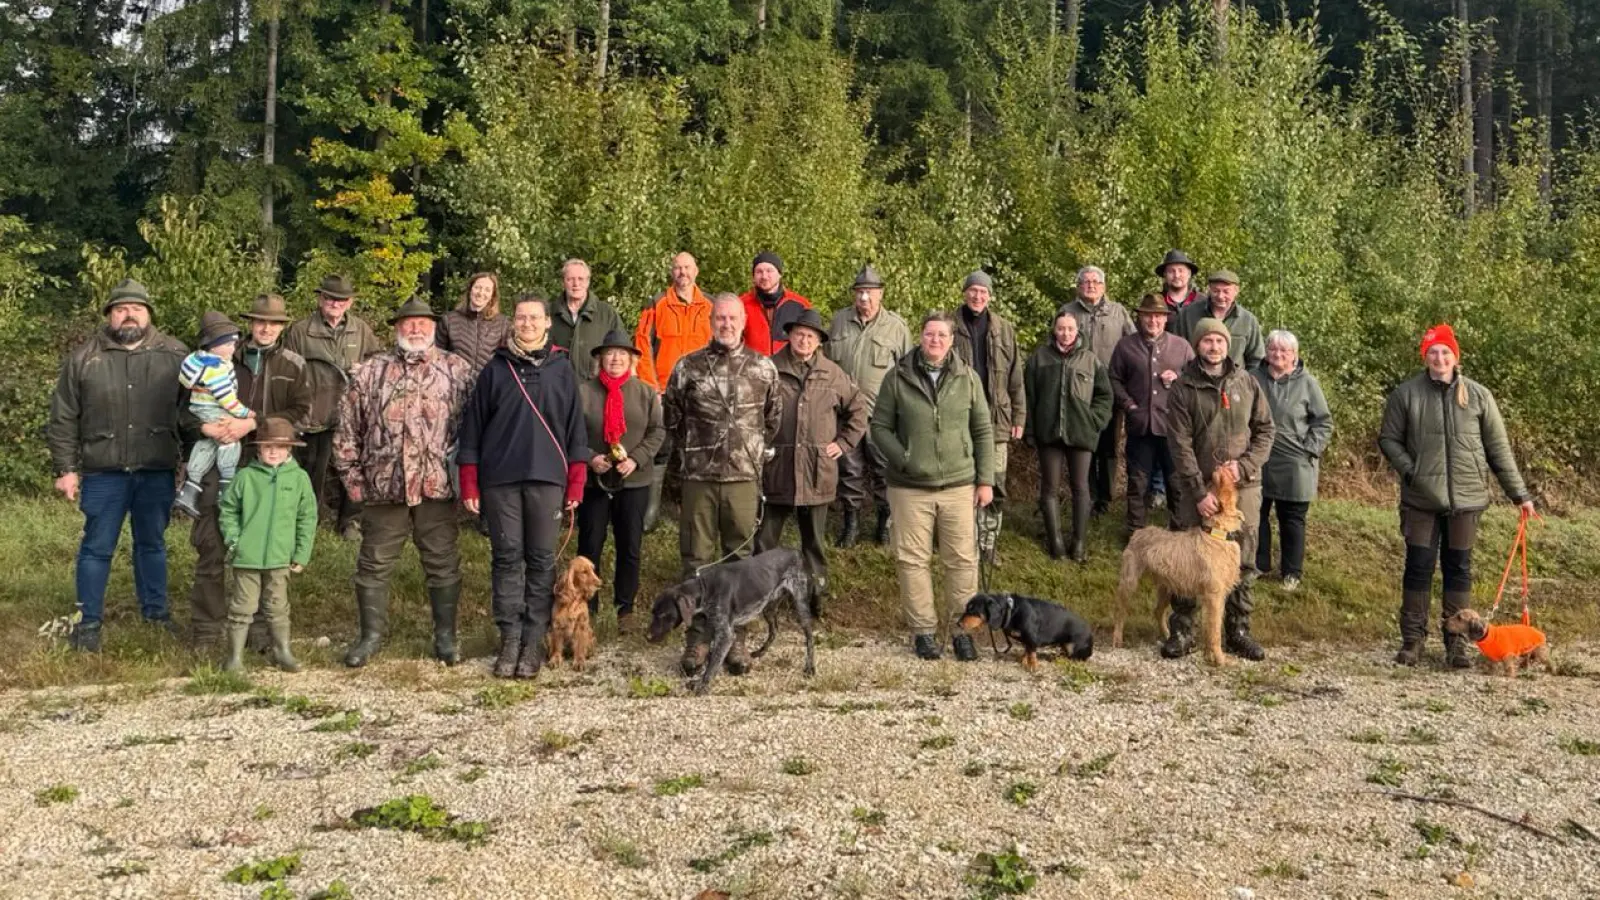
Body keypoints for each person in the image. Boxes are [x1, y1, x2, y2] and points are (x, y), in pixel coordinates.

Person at [1379, 324, 1533, 668]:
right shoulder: (1406, 394)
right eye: (1433, 352)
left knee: (1458, 569)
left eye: (1445, 351)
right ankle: (1413, 640)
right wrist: (1411, 470)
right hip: (1421, 499)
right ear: (1425, 356)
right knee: (1418, 568)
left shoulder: (1479, 396)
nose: (1439, 357)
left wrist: (1519, 493)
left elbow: (1498, 449)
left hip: (1467, 500)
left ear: (1455, 356)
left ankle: (1457, 643)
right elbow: (1388, 439)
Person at [47, 279, 189, 651]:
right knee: (96, 547)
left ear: (148, 315)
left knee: (152, 545)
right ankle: (87, 622)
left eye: (136, 309)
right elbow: (63, 417)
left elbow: (192, 411)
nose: (129, 315)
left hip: (155, 469)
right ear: (110, 315)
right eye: (121, 309)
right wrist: (65, 468)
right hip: (103, 472)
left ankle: (156, 615)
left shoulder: (176, 355)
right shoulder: (83, 359)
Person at [332, 297, 475, 668]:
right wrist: (353, 481)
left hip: (437, 487)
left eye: (422, 323)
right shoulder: (369, 372)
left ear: (433, 328)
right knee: (374, 563)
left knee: (443, 562)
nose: (415, 329)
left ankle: (446, 637)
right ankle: (369, 637)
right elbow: (347, 431)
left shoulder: (458, 370)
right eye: (408, 323)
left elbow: (476, 429)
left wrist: (470, 479)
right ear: (396, 328)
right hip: (384, 488)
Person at [458, 295, 590, 679]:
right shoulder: (495, 370)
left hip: (548, 479)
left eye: (535, 317)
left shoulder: (562, 369)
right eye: (521, 317)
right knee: (505, 559)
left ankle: (533, 641)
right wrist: (470, 481)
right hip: (500, 479)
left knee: (540, 560)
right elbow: (472, 430)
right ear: (512, 323)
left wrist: (576, 484)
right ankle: (510, 639)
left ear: (548, 323)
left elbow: (575, 431)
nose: (527, 323)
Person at [183, 293, 313, 651]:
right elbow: (185, 409)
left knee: (264, 550)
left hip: (264, 468)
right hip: (218, 463)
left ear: (282, 327)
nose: (266, 327)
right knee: (211, 545)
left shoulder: (293, 365)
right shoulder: (220, 359)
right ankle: (207, 630)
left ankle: (258, 631)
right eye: (259, 321)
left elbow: (302, 413)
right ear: (250, 325)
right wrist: (202, 429)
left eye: (273, 322)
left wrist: (253, 424)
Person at [662, 293, 781, 675]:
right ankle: (697, 640)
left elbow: (772, 419)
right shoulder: (688, 367)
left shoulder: (764, 368)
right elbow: (672, 418)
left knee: (740, 564)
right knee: (697, 559)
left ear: (744, 322)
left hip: (743, 479)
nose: (726, 324)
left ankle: (736, 641)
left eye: (733, 318)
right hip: (698, 476)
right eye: (720, 318)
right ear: (710, 321)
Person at [872, 311, 995, 662]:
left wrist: (986, 479)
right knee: (912, 560)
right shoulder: (897, 378)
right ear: (920, 337)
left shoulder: (968, 378)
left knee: (961, 560)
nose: (935, 341)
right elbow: (879, 427)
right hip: (909, 487)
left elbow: (983, 430)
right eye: (929, 334)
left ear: (952, 340)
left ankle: (961, 632)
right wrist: (905, 458)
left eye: (942, 335)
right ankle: (924, 632)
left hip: (959, 485)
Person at [1166, 317, 1275, 661]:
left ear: (1229, 345)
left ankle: (1238, 630)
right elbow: (1179, 445)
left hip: (1244, 488)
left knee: (1243, 556)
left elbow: (1266, 430)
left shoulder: (1247, 382)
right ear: (1198, 345)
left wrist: (1242, 467)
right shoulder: (1184, 388)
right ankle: (1183, 630)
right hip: (1197, 489)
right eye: (1208, 341)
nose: (1215, 347)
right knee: (1187, 559)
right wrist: (1199, 493)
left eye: (1220, 341)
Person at [756, 309, 868, 592]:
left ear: (819, 341)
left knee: (814, 542)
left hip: (817, 471)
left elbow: (858, 410)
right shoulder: (769, 368)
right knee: (765, 539)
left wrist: (842, 444)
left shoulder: (833, 373)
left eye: (810, 336)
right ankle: (760, 594)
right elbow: (753, 412)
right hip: (777, 468)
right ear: (790, 336)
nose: (804, 340)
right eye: (799, 334)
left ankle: (815, 594)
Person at [577, 331, 666, 630]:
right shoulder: (584, 391)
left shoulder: (645, 392)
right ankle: (587, 607)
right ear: (600, 358)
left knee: (630, 545)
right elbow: (571, 432)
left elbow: (657, 432)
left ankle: (624, 608)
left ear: (631, 359)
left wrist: (636, 458)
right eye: (610, 353)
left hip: (634, 481)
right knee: (590, 544)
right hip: (595, 482)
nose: (615, 359)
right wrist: (591, 457)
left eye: (621, 354)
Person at [283, 274, 382, 540]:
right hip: (315, 413)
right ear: (320, 299)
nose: (334, 303)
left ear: (349, 302)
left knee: (353, 469)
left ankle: (351, 521)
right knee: (312, 470)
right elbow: (286, 370)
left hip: (352, 413)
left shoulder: (361, 330)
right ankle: (309, 520)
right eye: (329, 298)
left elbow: (377, 362)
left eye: (341, 299)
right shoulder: (300, 330)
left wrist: (365, 369)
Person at [217, 417, 316, 673]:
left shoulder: (299, 479)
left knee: (277, 606)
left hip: (281, 556)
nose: (273, 451)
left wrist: (301, 553)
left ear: (289, 450)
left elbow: (307, 518)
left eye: (279, 447)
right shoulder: (245, 477)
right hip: (246, 556)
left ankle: (283, 651)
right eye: (267, 446)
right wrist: (235, 540)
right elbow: (228, 509)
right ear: (258, 449)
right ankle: (234, 658)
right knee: (242, 607)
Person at [827, 263, 911, 546]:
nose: (864, 298)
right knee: (848, 471)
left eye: (870, 292)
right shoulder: (839, 321)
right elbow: (827, 365)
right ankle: (850, 525)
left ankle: (884, 524)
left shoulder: (896, 328)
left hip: (881, 416)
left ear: (881, 294)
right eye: (860, 292)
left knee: (882, 470)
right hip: (845, 415)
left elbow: (907, 374)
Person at [1024, 310, 1112, 562]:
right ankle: (1056, 544)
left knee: (1081, 487)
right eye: (1061, 328)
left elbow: (1105, 395)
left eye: (1070, 329)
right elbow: (1028, 397)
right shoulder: (1039, 358)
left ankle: (1079, 544)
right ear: (1054, 330)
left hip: (1080, 432)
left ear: (1077, 331)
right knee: (1049, 488)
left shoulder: (1090, 360)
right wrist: (1031, 429)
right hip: (1048, 432)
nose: (1065, 333)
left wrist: (1095, 421)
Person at [634, 251, 714, 532]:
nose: (682, 272)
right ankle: (650, 513)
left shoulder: (710, 306)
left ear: (696, 271)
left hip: (701, 390)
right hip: (664, 390)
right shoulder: (656, 304)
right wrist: (651, 385)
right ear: (672, 272)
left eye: (687, 267)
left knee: (697, 449)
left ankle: (692, 511)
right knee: (661, 448)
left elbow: (720, 347)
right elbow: (642, 345)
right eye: (678, 268)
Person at [951, 270, 1025, 568]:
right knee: (959, 482)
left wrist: (1019, 415)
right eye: (973, 290)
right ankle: (962, 541)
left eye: (983, 291)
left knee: (994, 483)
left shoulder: (1004, 329)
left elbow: (1016, 377)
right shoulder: (948, 325)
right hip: (958, 418)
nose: (977, 296)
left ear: (990, 296)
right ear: (964, 293)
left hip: (996, 420)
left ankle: (988, 543)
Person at [1252, 330, 1334, 592]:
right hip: (1259, 460)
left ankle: (1291, 573)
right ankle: (1259, 565)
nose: (1277, 354)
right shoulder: (1253, 378)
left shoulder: (1308, 383)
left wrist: (1309, 449)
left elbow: (1323, 422)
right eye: (1273, 349)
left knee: (1292, 520)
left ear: (1294, 356)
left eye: (1283, 351)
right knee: (1257, 515)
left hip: (1295, 465)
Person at [1109, 294, 1194, 537]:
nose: (1153, 320)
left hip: (1173, 428)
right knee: (1137, 483)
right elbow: (1114, 378)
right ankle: (1136, 533)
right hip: (1140, 426)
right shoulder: (1126, 346)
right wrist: (1128, 405)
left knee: (1177, 483)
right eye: (1148, 315)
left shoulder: (1182, 346)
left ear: (1166, 319)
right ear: (1140, 317)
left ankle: (1179, 533)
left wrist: (1178, 378)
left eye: (1158, 315)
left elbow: (1196, 379)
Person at [1059, 265, 1134, 516]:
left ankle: (1106, 496)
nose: (1090, 285)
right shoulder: (1068, 312)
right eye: (1085, 281)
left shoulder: (1118, 312)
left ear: (1104, 286)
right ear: (1078, 286)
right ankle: (1087, 494)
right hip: (1078, 391)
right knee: (1084, 443)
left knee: (1109, 445)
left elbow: (1133, 345)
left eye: (1095, 281)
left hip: (1111, 389)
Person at [173, 312, 257, 517]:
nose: (233, 349)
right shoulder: (216, 369)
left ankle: (189, 490)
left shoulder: (195, 359)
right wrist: (247, 414)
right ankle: (226, 487)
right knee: (228, 439)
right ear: (213, 345)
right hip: (214, 410)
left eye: (234, 344)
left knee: (207, 444)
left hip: (199, 407)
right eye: (228, 344)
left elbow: (185, 382)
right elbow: (227, 399)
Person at [550, 259, 626, 380]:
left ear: (588, 282)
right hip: (558, 387)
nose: (576, 284)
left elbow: (623, 351)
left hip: (596, 389)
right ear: (563, 282)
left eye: (581, 279)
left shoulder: (606, 313)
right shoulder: (549, 313)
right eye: (570, 279)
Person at [1175, 270, 1266, 371]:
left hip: (1234, 383)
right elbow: (1176, 350)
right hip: (1194, 381)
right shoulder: (1188, 315)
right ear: (1209, 290)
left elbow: (1256, 360)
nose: (1220, 296)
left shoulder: (1248, 321)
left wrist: (1247, 383)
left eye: (1226, 291)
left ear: (1236, 291)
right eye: (1216, 291)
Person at [436, 271, 510, 376]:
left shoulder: (503, 324)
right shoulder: (449, 320)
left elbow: (507, 361)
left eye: (487, 290)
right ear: (470, 289)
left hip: (488, 385)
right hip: (455, 385)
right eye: (478, 287)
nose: (481, 293)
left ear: (492, 296)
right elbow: (436, 357)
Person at [740, 251, 811, 355]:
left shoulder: (801, 305)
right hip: (752, 368)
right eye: (759, 272)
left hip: (788, 369)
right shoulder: (741, 304)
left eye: (769, 271)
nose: (764, 276)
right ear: (753, 276)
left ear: (779, 274)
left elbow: (812, 342)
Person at [1156, 249, 1205, 327]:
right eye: (1171, 271)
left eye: (1181, 270)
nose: (1177, 275)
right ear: (1165, 274)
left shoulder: (1203, 302)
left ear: (1189, 274)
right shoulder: (1156, 302)